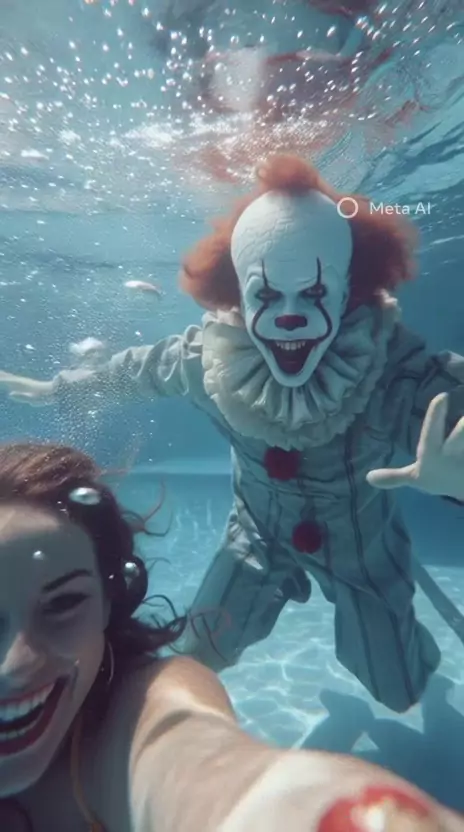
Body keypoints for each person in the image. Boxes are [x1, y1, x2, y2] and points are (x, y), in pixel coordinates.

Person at [1, 153, 464, 715]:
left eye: (314, 293)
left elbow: (449, 402)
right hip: (257, 537)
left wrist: (458, 484)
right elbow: (138, 370)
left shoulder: (389, 367)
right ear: (238, 292)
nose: (289, 316)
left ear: (348, 293)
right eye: (266, 295)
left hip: (362, 545)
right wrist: (61, 388)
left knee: (399, 691)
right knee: (194, 657)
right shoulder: (212, 361)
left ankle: (411, 651)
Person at [2, 441, 464, 831]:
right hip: (264, 540)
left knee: (398, 686)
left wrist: (300, 808)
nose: (14, 664)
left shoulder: (132, 711)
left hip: (349, 549)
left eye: (63, 604)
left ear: (110, 601)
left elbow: (195, 756)